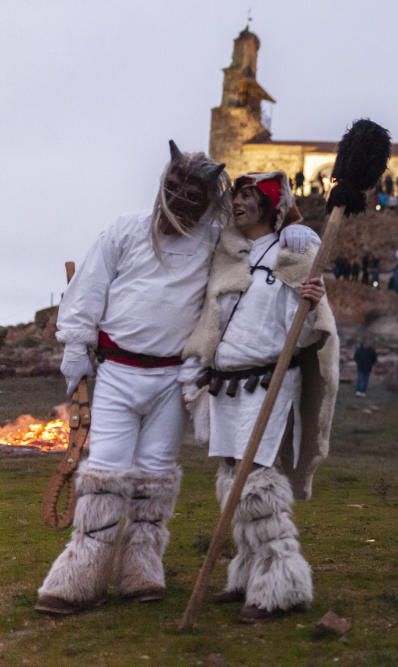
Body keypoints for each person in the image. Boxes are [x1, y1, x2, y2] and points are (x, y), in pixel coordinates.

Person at [35, 142, 319, 615]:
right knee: (105, 472)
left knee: (155, 477)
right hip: (119, 373)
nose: (185, 198)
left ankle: (141, 568)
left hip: (172, 379)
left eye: (197, 191)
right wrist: (74, 345)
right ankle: (80, 574)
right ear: (163, 185)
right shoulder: (124, 230)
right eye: (177, 186)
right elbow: (87, 290)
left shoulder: (213, 239)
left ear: (210, 198)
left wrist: (298, 230)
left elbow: (260, 235)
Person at [182, 171, 338, 623]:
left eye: (249, 197)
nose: (238, 204)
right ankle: (249, 573)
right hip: (226, 385)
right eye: (238, 196)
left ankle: (281, 585)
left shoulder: (293, 254)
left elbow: (309, 332)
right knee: (235, 478)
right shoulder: (230, 256)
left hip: (268, 384)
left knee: (258, 482)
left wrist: (311, 301)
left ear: (269, 204)